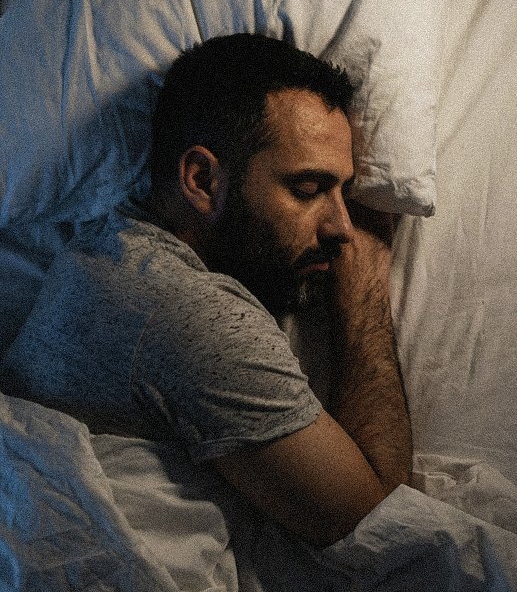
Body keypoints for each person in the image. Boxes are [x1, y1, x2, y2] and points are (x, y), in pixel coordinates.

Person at [1, 33, 413, 546]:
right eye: (307, 190)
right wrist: (365, 284)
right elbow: (384, 526)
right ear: (201, 180)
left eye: (343, 193)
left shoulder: (106, 250)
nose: (342, 228)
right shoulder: (190, 314)